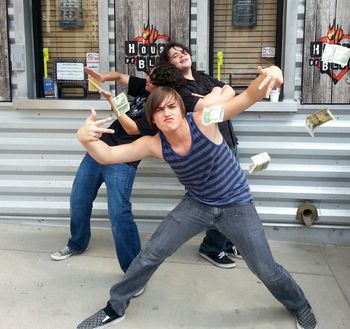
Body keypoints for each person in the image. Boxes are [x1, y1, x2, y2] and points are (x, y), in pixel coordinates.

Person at [75, 67, 318, 329]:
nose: (166, 113)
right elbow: (108, 156)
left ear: (181, 110)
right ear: (153, 120)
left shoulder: (204, 118)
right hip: (198, 203)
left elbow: (246, 97)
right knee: (150, 254)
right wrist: (85, 139)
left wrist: (272, 75)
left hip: (236, 204)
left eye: (171, 107)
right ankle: (115, 307)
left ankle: (300, 304)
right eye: (159, 110)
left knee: (265, 268)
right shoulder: (153, 143)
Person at [50, 64, 184, 275]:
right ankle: (77, 243)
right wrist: (103, 76)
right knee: (78, 199)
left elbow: (131, 127)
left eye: (152, 80)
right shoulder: (145, 87)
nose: (147, 80)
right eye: (148, 77)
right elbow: (121, 76)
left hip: (123, 160)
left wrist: (113, 103)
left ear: (161, 88)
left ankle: (133, 271)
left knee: (118, 213)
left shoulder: (158, 111)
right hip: (98, 151)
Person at [159, 41, 242, 268]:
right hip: (210, 150)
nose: (182, 56)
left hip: (229, 142)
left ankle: (226, 243)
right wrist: (216, 93)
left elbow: (231, 92)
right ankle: (211, 247)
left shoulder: (202, 78)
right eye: (175, 56)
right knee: (219, 198)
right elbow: (204, 109)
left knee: (233, 196)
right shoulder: (179, 91)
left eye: (183, 52)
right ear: (170, 64)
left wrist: (214, 94)